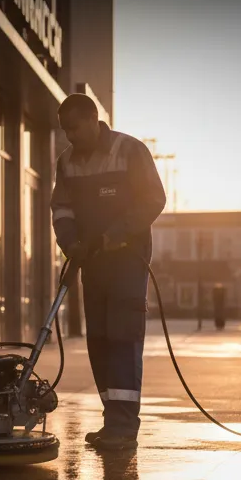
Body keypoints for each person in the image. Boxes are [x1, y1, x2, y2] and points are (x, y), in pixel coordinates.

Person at [50, 94, 166, 451]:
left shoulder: (129, 151)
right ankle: (111, 420)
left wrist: (115, 234)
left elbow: (153, 199)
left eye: (74, 127)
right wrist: (71, 243)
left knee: (123, 337)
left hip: (127, 262)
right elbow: (61, 208)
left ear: (92, 119)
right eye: (65, 130)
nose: (70, 136)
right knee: (98, 340)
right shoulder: (66, 162)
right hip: (92, 263)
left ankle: (124, 427)